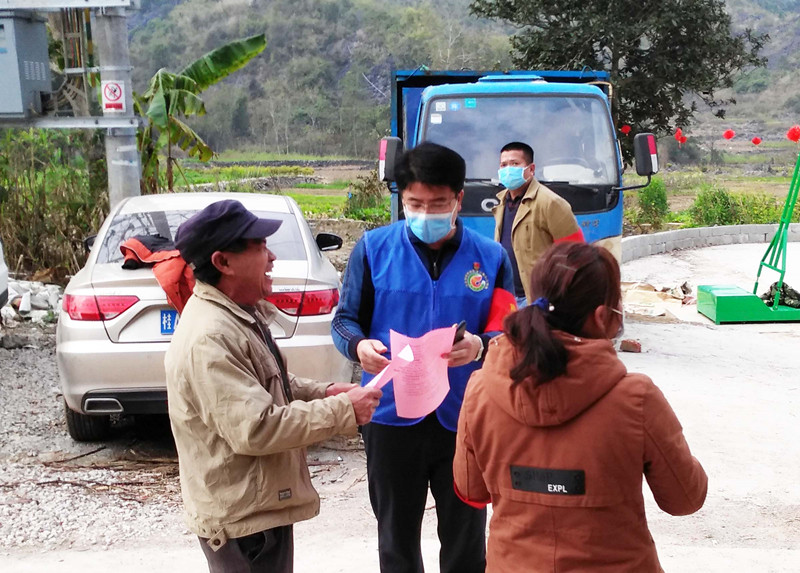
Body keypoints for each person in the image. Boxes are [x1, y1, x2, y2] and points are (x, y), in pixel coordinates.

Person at [453, 242, 708, 572]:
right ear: (603, 316)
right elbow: (685, 499)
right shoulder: (637, 399)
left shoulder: (481, 390)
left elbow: (471, 489)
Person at [165, 199, 382, 573]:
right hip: (242, 523)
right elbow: (257, 427)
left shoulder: (236, 314)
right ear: (223, 262)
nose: (272, 258)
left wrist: (327, 392)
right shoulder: (211, 335)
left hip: (258, 508)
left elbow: (270, 382)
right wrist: (344, 411)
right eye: (260, 247)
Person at [332, 142, 517, 573]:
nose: (425, 213)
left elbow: (510, 330)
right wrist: (359, 347)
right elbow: (343, 322)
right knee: (395, 539)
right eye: (414, 203)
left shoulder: (491, 258)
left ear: (459, 200)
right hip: (390, 416)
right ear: (402, 199)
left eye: (437, 203)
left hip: (466, 417)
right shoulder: (374, 250)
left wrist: (482, 346)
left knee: (466, 540)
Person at [494, 141, 584, 307]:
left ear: (531, 169)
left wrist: (558, 300)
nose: (508, 170)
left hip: (537, 300)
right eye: (503, 165)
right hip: (507, 297)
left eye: (515, 164)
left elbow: (575, 255)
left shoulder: (551, 203)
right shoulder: (502, 202)